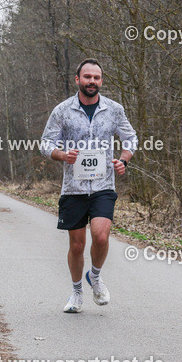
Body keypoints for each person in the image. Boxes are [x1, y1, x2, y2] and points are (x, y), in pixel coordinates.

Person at [39, 58, 137, 313]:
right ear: (77, 80)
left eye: (96, 78)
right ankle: (76, 292)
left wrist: (123, 160)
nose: (92, 81)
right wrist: (63, 155)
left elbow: (130, 138)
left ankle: (94, 275)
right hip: (73, 187)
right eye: (87, 77)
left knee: (101, 236)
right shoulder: (62, 110)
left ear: (101, 81)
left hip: (103, 184)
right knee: (77, 245)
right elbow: (45, 144)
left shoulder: (114, 109)